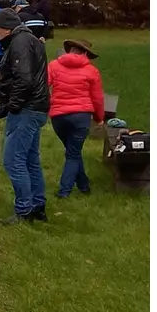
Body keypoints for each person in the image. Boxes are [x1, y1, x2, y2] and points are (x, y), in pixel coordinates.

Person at [0, 8, 51, 224]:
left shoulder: (19, 43)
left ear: (6, 28)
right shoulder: (30, 40)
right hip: (37, 107)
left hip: (26, 108)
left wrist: (12, 106)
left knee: (13, 160)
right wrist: (2, 75)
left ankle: (24, 210)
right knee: (30, 160)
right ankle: (37, 206)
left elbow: (25, 80)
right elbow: (28, 72)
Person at [48, 38, 105, 198]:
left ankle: (84, 185)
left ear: (69, 50)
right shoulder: (91, 71)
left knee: (72, 151)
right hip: (81, 117)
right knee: (73, 154)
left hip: (58, 116)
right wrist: (99, 117)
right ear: (86, 53)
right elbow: (97, 98)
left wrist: (48, 105)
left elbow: (42, 86)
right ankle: (64, 192)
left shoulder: (53, 65)